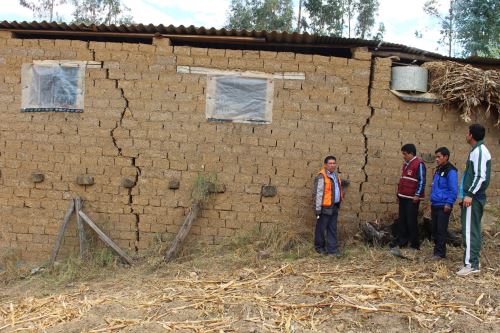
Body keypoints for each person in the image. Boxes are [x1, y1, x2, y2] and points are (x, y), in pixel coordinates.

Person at [456, 124, 491, 276]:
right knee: (471, 230)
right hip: (471, 196)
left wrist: (469, 194)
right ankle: (473, 262)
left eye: (467, 133)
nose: (466, 135)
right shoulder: (476, 151)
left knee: (470, 231)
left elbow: (480, 176)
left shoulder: (480, 151)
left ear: (471, 135)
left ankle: (471, 264)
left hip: (474, 197)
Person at [390, 144, 426, 259]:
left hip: (412, 198)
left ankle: (415, 244)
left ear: (411, 153)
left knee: (411, 221)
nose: (403, 156)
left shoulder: (419, 164)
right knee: (402, 220)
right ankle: (403, 241)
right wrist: (398, 194)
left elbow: (422, 180)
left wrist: (417, 194)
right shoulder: (405, 164)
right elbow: (402, 180)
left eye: (405, 154)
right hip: (403, 197)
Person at [429, 147, 458, 260]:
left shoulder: (451, 171)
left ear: (446, 157)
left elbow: (453, 189)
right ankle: (437, 251)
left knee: (441, 230)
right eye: (436, 157)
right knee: (435, 229)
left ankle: (440, 253)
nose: (436, 159)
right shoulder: (439, 170)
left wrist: (449, 203)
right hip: (435, 204)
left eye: (439, 157)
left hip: (444, 205)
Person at [313, 156, 344, 256]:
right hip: (324, 207)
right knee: (321, 229)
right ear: (325, 165)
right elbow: (318, 193)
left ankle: (332, 250)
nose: (332, 165)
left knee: (332, 228)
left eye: (334, 163)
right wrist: (318, 210)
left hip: (334, 206)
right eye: (330, 163)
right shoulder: (322, 176)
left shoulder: (335, 175)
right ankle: (319, 248)